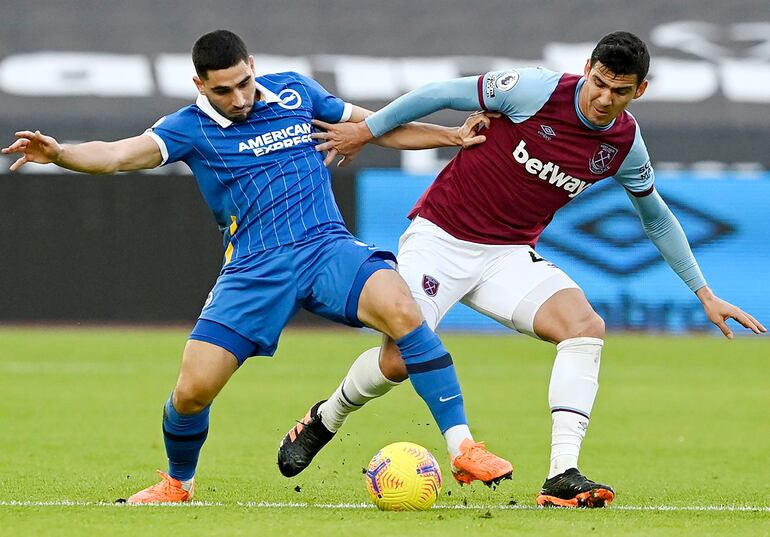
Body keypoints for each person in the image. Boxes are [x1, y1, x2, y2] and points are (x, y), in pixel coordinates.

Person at [1, 29, 514, 503]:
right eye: (224, 90)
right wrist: (61, 152)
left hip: (326, 247)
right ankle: (179, 483)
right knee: (191, 391)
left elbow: (375, 127)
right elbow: (116, 155)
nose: (240, 98)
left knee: (405, 312)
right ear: (200, 85)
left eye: (244, 82)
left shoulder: (294, 92)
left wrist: (449, 138)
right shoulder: (188, 128)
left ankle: (463, 446)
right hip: (254, 270)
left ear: (253, 65)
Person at [283, 31, 766, 507]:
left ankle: (561, 474)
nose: (604, 98)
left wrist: (704, 293)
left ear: (639, 91)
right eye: (599, 82)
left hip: (507, 255)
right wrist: (366, 132)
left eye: (620, 91)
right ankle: (326, 417)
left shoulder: (623, 143)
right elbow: (437, 94)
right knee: (399, 360)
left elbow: (655, 216)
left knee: (584, 328)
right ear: (588, 70)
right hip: (440, 238)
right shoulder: (534, 89)